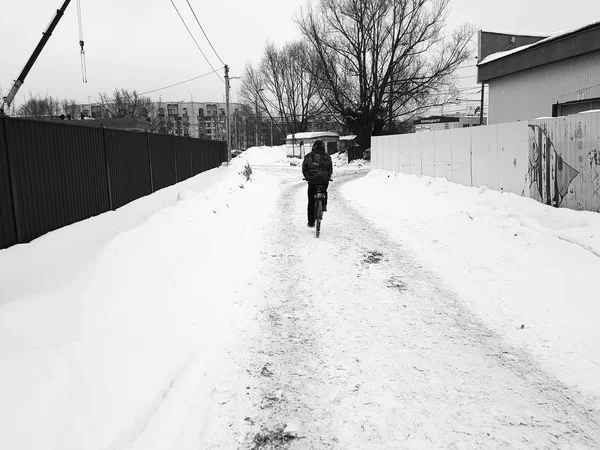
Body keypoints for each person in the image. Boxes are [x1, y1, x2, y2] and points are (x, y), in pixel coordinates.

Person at [302, 140, 333, 227]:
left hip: (312, 181)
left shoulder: (308, 156)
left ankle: (311, 222)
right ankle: (323, 205)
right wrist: (328, 177)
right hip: (323, 180)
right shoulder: (327, 157)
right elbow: (330, 169)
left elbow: (304, 168)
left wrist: (307, 177)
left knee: (311, 201)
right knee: (324, 191)